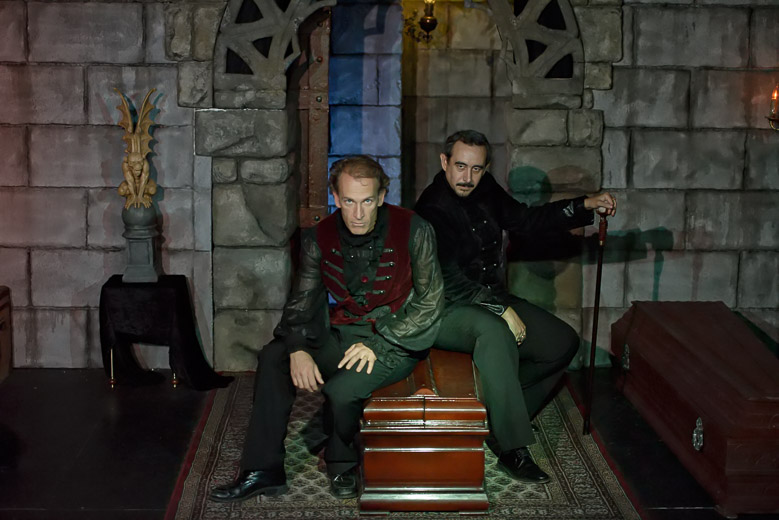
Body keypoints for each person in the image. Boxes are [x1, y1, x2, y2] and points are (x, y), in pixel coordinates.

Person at [210, 155, 444, 502]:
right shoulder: (319, 236)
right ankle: (263, 469)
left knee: (341, 391)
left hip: (395, 338)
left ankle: (342, 462)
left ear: (381, 196)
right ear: (335, 197)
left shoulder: (415, 228)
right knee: (274, 356)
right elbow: (302, 302)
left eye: (367, 201)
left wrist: (380, 342)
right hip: (343, 333)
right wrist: (297, 347)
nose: (358, 213)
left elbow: (431, 302)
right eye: (349, 201)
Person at [414, 130, 617, 484]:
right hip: (444, 306)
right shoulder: (431, 208)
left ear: (485, 168)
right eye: (460, 166)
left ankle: (502, 416)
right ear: (444, 162)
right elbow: (447, 279)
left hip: (492, 296)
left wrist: (584, 205)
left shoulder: (485, 188)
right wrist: (500, 310)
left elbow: (526, 220)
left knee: (562, 343)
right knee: (497, 333)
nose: (467, 177)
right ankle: (512, 446)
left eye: (476, 169)